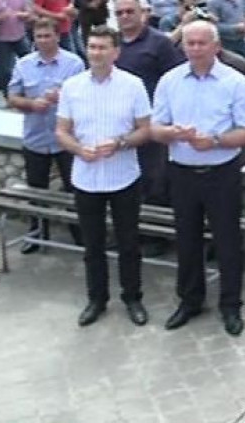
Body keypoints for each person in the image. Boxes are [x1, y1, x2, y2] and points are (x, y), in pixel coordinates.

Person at [151, 21, 245, 335]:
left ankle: (231, 305)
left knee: (227, 241)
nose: (195, 49)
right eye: (190, 43)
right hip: (181, 172)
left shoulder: (235, 82)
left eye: (201, 43)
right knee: (186, 239)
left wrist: (214, 141)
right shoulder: (170, 81)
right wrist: (171, 133)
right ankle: (190, 300)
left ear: (216, 46)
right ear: (183, 46)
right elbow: (155, 128)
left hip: (221, 172)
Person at [55, 26, 152, 328]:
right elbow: (61, 131)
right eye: (92, 47)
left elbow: (146, 130)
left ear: (115, 52)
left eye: (102, 47)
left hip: (123, 176)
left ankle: (133, 297)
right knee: (92, 244)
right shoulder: (71, 87)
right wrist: (77, 149)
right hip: (86, 178)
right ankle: (96, 298)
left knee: (128, 242)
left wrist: (121, 143)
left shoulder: (133, 85)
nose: (96, 52)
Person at [8, 18, 85, 253]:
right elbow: (12, 97)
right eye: (38, 36)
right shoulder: (23, 65)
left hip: (68, 141)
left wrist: (64, 98)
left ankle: (80, 234)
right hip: (36, 138)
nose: (43, 40)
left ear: (57, 36)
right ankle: (36, 233)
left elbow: (85, 98)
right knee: (36, 190)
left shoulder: (74, 64)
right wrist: (31, 104)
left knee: (75, 189)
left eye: (47, 36)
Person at [113, 0, 185, 208]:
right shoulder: (113, 44)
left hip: (152, 124)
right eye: (119, 13)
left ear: (142, 13)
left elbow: (176, 81)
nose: (125, 16)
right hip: (120, 124)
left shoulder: (160, 43)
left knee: (154, 181)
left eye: (129, 11)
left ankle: (156, 236)